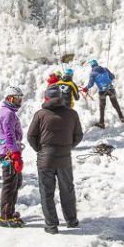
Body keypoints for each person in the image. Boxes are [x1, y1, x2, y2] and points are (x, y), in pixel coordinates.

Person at [27, 84, 83, 234]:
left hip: (45, 159)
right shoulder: (72, 113)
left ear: (47, 97)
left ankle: (51, 225)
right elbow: (79, 136)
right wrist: (67, 147)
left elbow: (31, 136)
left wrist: (41, 149)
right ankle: (71, 220)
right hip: (64, 159)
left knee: (46, 192)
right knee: (67, 190)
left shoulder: (40, 114)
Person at [0, 86, 25, 227]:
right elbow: (9, 135)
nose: (20, 101)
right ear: (10, 98)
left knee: (16, 182)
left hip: (10, 151)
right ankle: (6, 215)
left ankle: (10, 211)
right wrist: (15, 154)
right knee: (10, 184)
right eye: (17, 98)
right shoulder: (8, 113)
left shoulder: (7, 112)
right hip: (9, 153)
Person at [81, 59, 124, 128]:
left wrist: (86, 88)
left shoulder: (92, 73)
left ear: (92, 66)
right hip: (111, 89)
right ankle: (121, 117)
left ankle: (101, 123)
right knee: (115, 104)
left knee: (102, 107)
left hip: (102, 91)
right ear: (97, 64)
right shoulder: (105, 69)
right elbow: (112, 77)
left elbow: (91, 84)